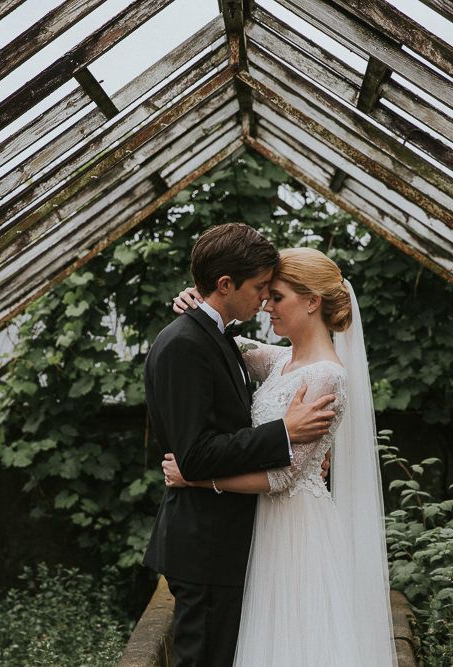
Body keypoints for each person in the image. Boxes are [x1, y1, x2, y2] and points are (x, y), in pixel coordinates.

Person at [165, 246, 397, 666]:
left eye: (277, 297)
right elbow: (224, 346)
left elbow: (282, 478)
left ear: (313, 301)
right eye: (265, 295)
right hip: (264, 525)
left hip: (296, 528)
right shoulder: (283, 360)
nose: (267, 306)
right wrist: (196, 302)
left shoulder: (326, 376)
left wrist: (197, 478)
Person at [142, 224, 338, 667]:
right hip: (208, 548)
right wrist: (284, 432)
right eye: (259, 288)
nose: (265, 300)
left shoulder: (218, 337)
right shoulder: (185, 345)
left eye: (274, 292)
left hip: (229, 545)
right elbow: (194, 455)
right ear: (225, 285)